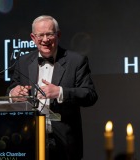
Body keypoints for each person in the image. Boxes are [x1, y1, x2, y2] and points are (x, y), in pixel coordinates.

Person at [6, 15, 98, 160]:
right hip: (29, 140)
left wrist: (60, 92)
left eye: (49, 34)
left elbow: (90, 95)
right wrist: (14, 93)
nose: (45, 39)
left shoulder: (76, 61)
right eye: (40, 35)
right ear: (33, 38)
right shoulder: (23, 62)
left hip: (64, 143)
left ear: (58, 35)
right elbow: (11, 89)